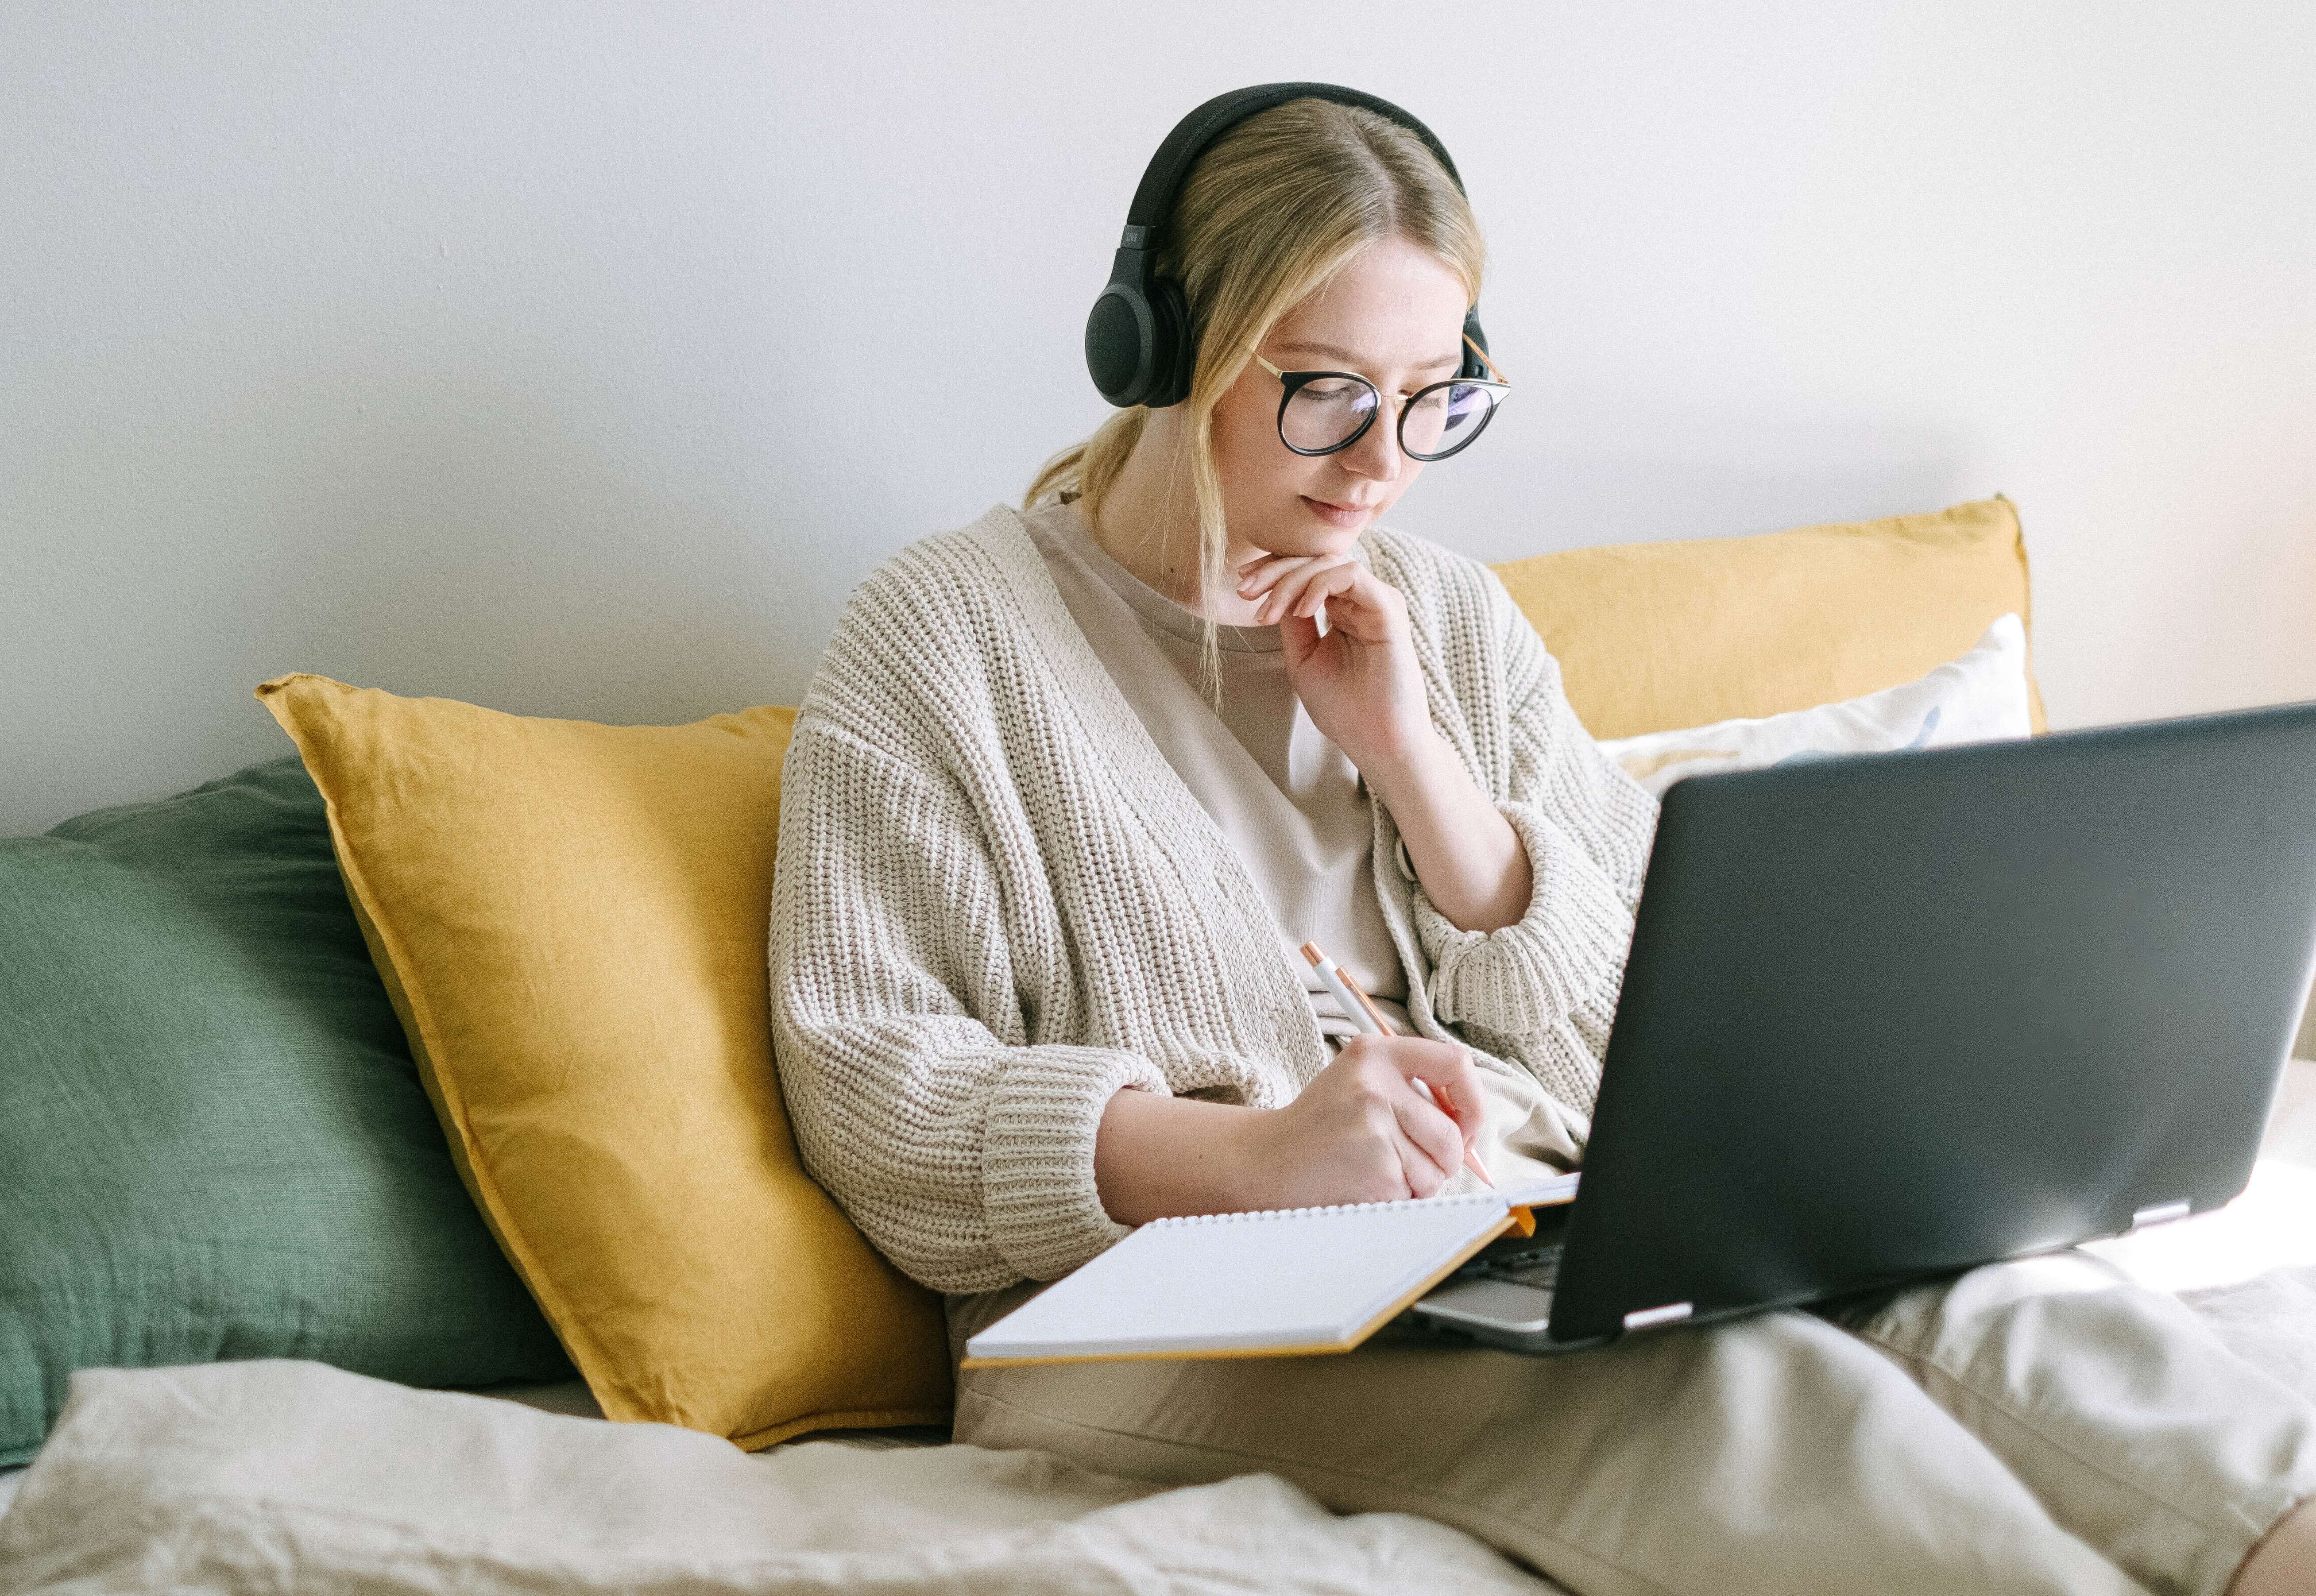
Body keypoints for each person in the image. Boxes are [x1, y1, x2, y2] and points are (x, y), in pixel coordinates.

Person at [767, 89, 2316, 1596]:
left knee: (2022, 1315)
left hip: (1525, 1231)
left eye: (1432, 397)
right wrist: (1250, 1160)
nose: (1382, 461)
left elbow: (1655, 1010)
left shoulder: (1443, 616)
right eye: (1325, 390)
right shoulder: (943, 641)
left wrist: (1419, 765)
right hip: (1144, 1317)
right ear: (1165, 354)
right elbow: (877, 1087)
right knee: (1758, 1412)